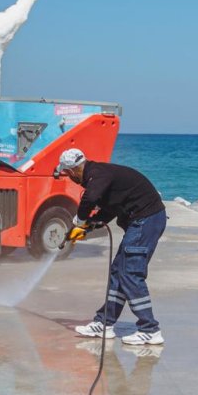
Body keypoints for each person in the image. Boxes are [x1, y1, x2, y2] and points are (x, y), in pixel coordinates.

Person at [56, 148, 167, 346]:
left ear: (72, 171)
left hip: (146, 221)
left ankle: (150, 329)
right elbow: (110, 210)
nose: (69, 177)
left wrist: (80, 219)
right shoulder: (100, 175)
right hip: (142, 221)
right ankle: (104, 323)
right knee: (118, 271)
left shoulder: (98, 175)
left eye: (66, 173)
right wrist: (88, 226)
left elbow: (89, 198)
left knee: (131, 273)